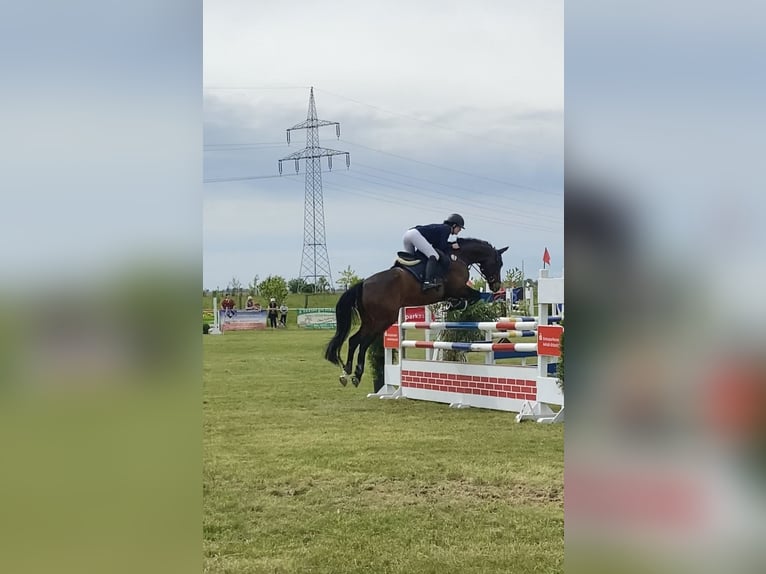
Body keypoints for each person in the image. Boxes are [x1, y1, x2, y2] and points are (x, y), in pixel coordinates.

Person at [402, 213, 465, 290]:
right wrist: (451, 246)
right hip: (415, 235)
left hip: (408, 234)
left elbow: (436, 245)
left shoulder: (441, 228)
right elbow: (441, 247)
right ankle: (427, 282)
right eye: (459, 227)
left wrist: (449, 245)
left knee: (412, 259)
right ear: (454, 225)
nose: (460, 230)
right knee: (434, 256)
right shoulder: (447, 229)